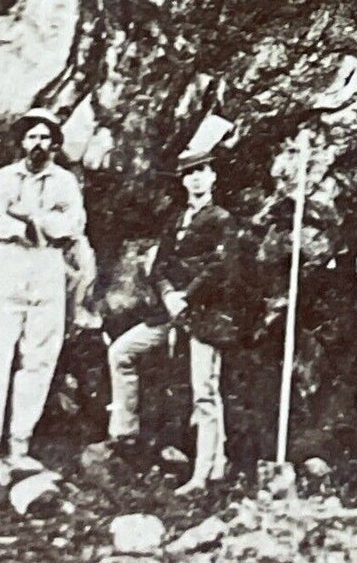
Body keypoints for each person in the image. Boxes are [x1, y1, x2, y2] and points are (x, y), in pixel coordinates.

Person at [106, 142, 242, 494]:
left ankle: (204, 473)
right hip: (171, 311)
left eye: (202, 172)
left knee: (205, 393)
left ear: (212, 176)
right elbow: (160, 265)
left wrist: (188, 295)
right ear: (183, 181)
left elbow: (221, 268)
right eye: (189, 174)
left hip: (205, 313)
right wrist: (168, 294)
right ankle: (125, 434)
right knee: (121, 351)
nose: (196, 179)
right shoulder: (176, 220)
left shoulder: (222, 220)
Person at [0, 108, 87, 478]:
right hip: (10, 266)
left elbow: (74, 223)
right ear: (22, 142)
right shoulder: (6, 178)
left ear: (54, 143)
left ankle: (19, 443)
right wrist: (21, 228)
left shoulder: (65, 182)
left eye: (44, 137)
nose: (38, 144)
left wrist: (35, 220)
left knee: (38, 360)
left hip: (48, 267)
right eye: (31, 137)